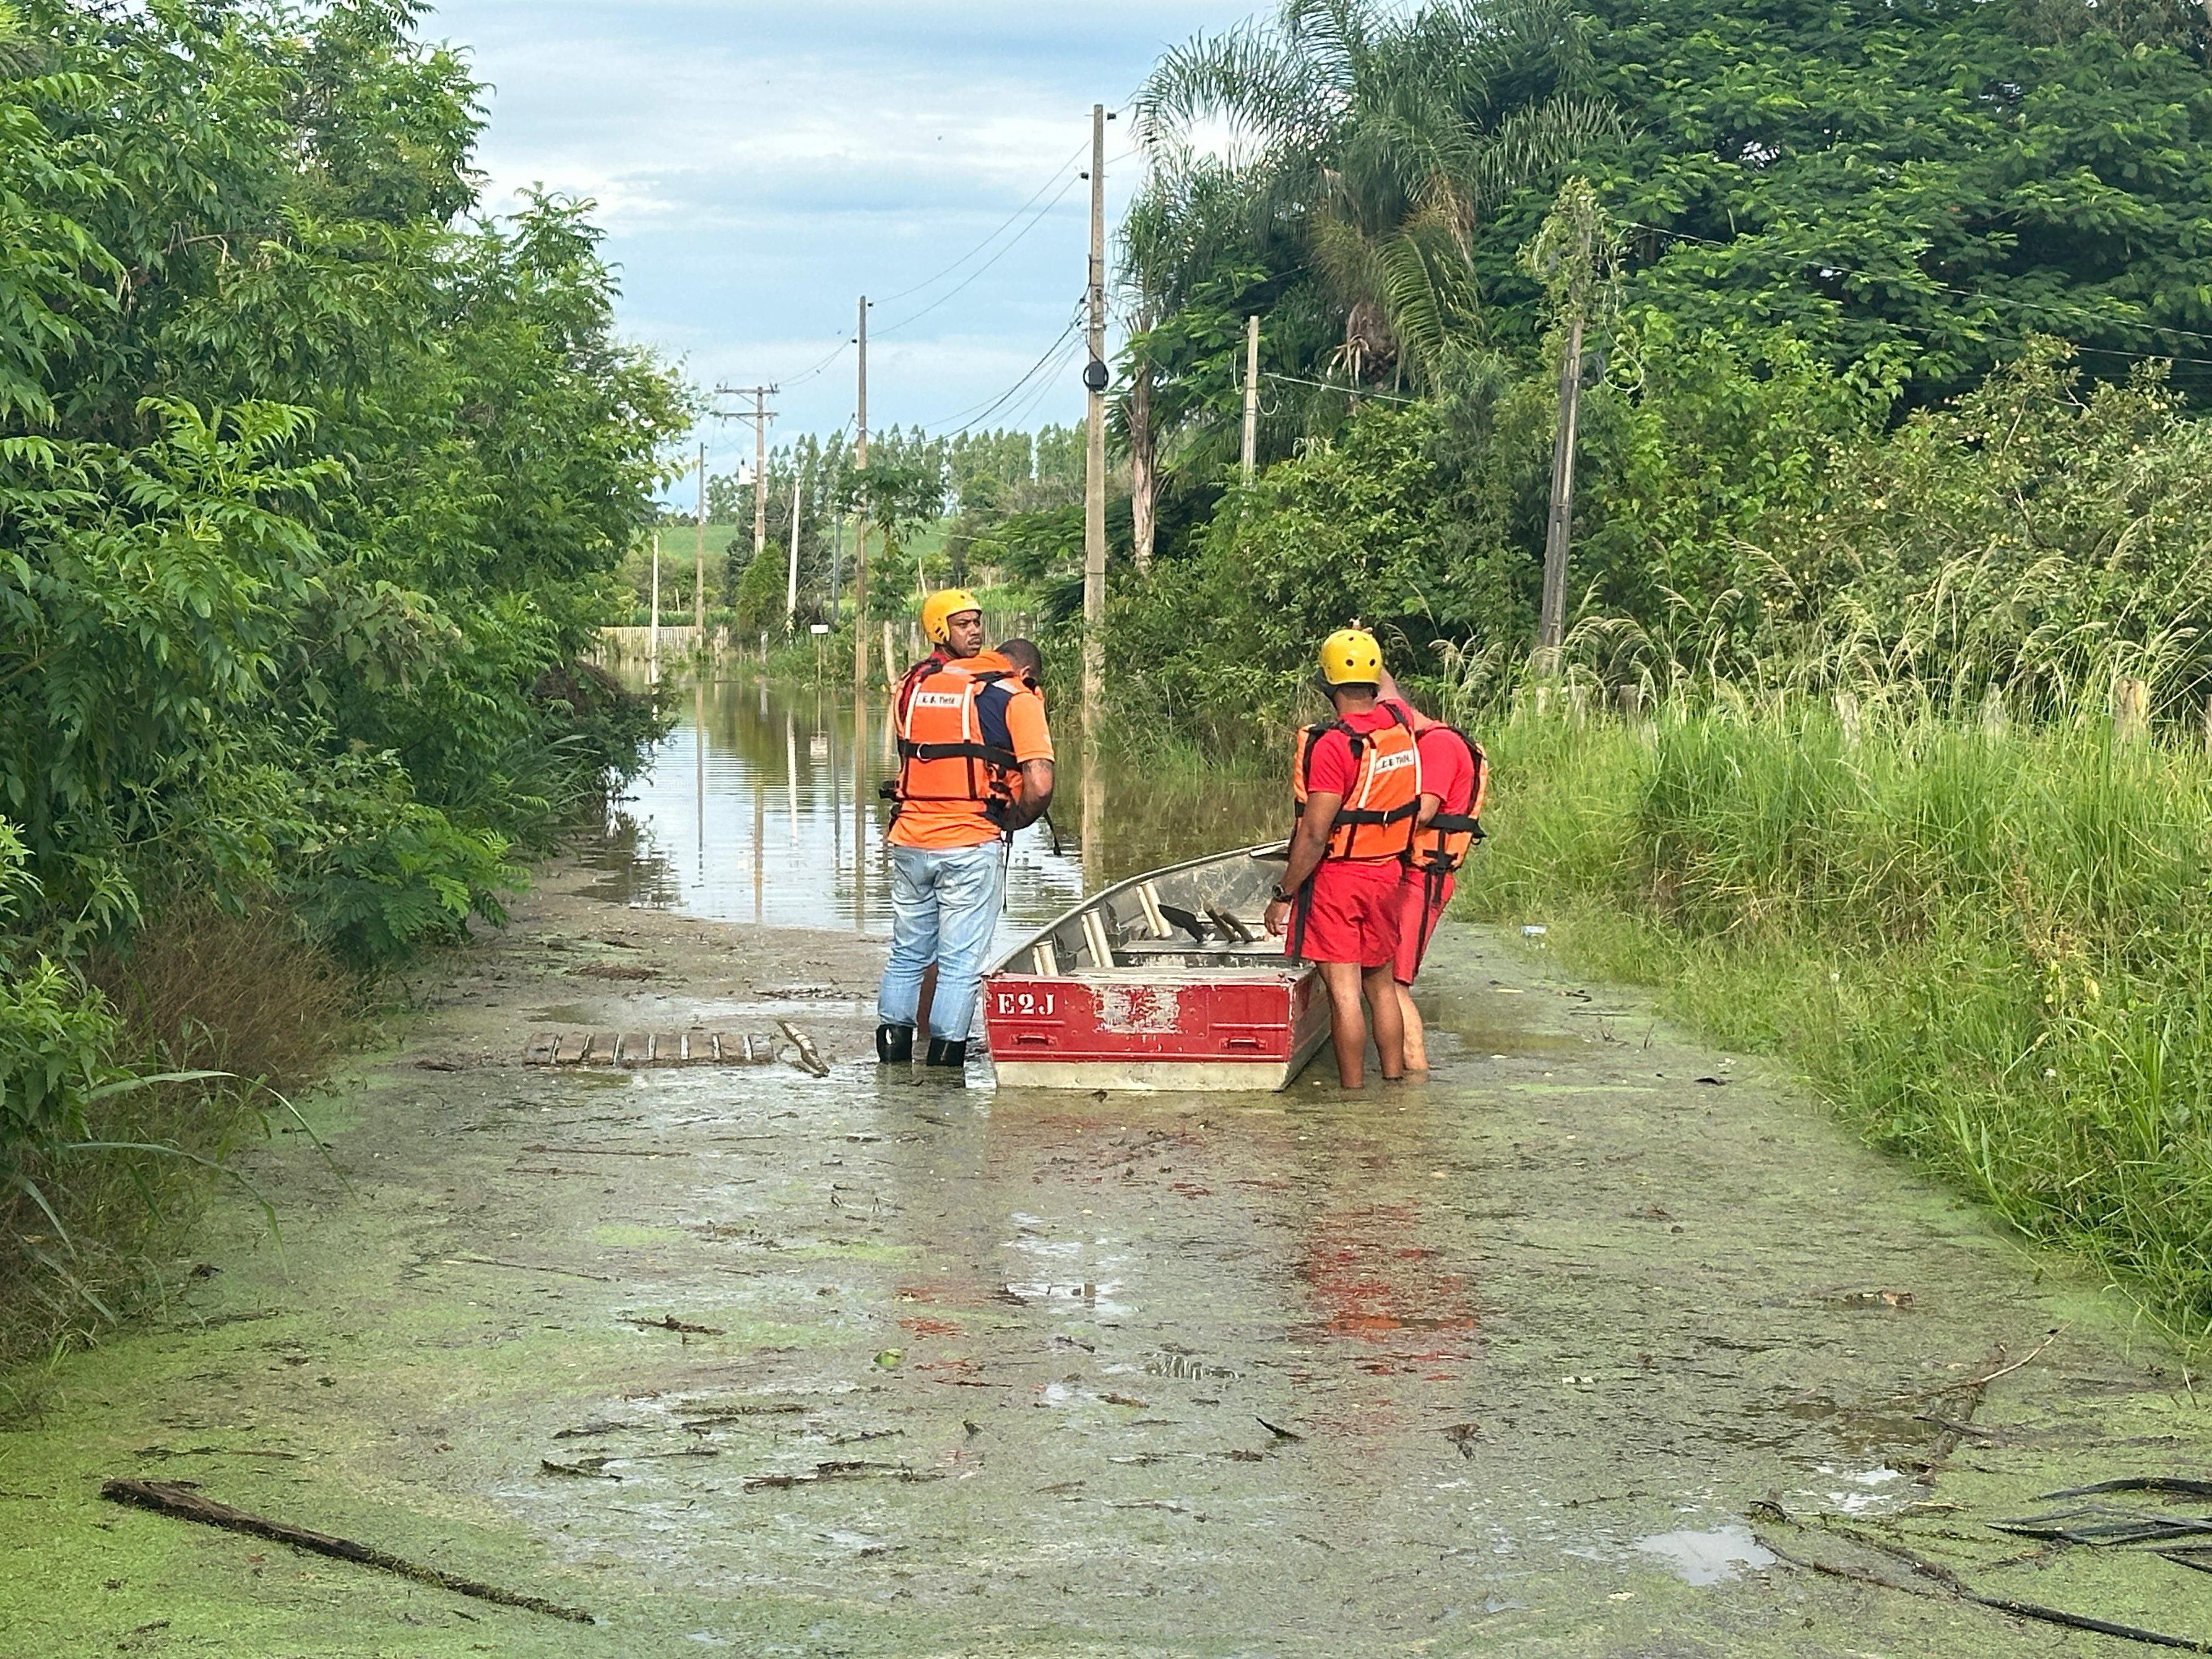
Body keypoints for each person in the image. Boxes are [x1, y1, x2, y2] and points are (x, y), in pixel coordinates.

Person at [876, 596, 1054, 1071]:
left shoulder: (914, 687)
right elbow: (1039, 785)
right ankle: (945, 1066)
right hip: (970, 840)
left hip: (911, 837)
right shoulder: (1016, 696)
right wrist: (1012, 819)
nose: (973, 631)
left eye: (977, 623)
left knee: (908, 952)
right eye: (965, 623)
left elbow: (909, 758)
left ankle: (892, 1061)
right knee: (959, 962)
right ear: (1029, 672)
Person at [1263, 628, 1423, 1088]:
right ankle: (1393, 1081)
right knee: (1380, 986)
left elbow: (1314, 833)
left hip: (1340, 880)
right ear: (1374, 680)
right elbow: (1388, 690)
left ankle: (1352, 1094)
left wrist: (1283, 894)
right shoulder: (1398, 724)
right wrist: (1369, 653)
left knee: (1345, 995)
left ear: (1328, 684)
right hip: (1388, 874)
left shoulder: (1335, 745)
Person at [1378, 667, 1487, 1071]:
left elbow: (1424, 811)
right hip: (1414, 873)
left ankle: (1415, 1077)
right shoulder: (1425, 739)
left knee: (1394, 983)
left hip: (1425, 876)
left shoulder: (1438, 745)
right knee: (1388, 978)